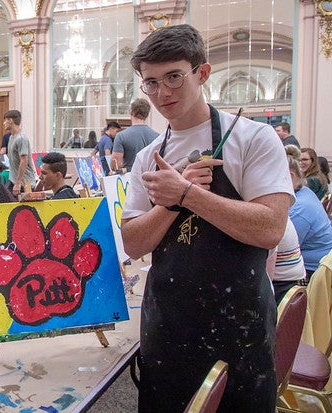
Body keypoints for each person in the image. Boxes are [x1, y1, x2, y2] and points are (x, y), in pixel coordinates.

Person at [121, 24, 293, 412]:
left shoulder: (253, 139)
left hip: (240, 325)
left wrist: (187, 194)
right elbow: (133, 243)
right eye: (150, 82)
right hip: (167, 324)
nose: (162, 93)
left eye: (174, 77)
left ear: (202, 73)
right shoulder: (149, 156)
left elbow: (270, 228)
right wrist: (169, 203)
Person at [287, 145, 332, 278]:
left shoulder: (299, 209)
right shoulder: (304, 191)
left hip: (314, 271)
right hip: (321, 260)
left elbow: (281, 251)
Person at [112, 98, 159, 172]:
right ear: (146, 114)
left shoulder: (121, 136)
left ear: (132, 112)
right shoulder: (157, 137)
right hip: (150, 179)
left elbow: (115, 164)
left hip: (130, 179)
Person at [3, 110, 37, 196]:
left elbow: (24, 161)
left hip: (24, 183)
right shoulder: (11, 138)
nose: (4, 123)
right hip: (13, 180)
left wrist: (18, 183)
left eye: (5, 120)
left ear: (10, 121)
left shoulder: (21, 138)